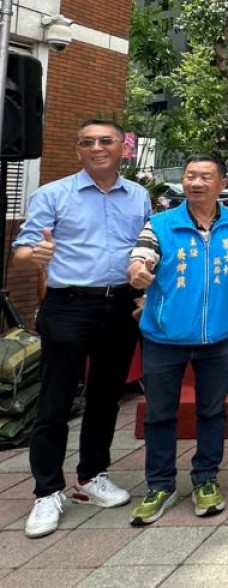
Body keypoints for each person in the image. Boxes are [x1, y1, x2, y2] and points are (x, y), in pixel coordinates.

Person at [14, 120, 152, 539]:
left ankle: (91, 476)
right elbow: (22, 249)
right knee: (55, 400)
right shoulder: (52, 194)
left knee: (106, 397)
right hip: (69, 305)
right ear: (78, 151)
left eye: (106, 141)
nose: (97, 148)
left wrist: (145, 292)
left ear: (123, 149)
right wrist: (35, 255)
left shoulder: (139, 195)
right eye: (87, 142)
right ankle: (47, 490)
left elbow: (148, 248)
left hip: (120, 306)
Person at [127, 154, 228, 526]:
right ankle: (160, 484)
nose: (196, 183)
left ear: (221, 184)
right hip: (165, 337)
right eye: (190, 176)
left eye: (205, 177)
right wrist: (138, 271)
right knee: (160, 414)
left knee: (212, 412)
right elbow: (141, 258)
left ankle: (206, 478)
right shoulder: (160, 224)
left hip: (220, 338)